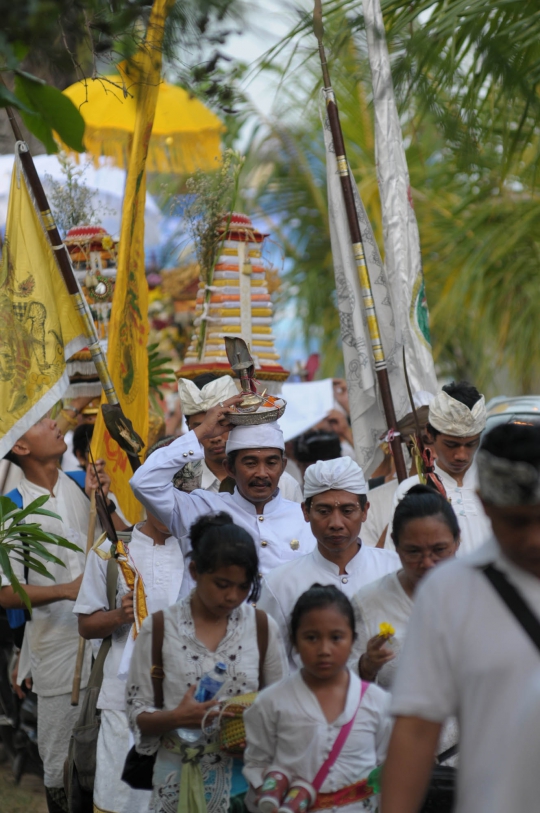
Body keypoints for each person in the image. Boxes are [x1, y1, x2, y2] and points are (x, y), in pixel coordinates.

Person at [380, 423, 540, 813]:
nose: (534, 538)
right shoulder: (449, 593)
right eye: (517, 522)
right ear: (485, 505)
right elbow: (416, 731)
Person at [126, 513, 287, 813]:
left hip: (244, 784)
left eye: (243, 587)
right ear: (195, 571)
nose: (232, 596)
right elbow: (138, 713)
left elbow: (282, 704)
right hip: (176, 778)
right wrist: (176, 718)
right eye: (222, 584)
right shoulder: (160, 628)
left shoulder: (263, 628)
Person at [0, 413, 116, 813]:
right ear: (21, 447)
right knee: (60, 764)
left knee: (103, 755)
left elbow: (113, 545)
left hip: (103, 642)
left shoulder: (77, 485)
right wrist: (66, 591)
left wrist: (103, 500)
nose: (54, 424)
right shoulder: (12, 507)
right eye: (41, 422)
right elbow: (4, 592)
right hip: (56, 653)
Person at [74, 440, 185, 813]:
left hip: (187, 703)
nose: (167, 506)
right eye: (160, 494)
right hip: (123, 703)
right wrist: (119, 616)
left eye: (178, 495)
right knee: (120, 802)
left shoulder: (202, 550)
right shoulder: (110, 550)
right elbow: (87, 626)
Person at [243, 585, 392, 813]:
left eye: (336, 638)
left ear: (353, 638)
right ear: (294, 640)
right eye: (311, 638)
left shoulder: (377, 702)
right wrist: (265, 791)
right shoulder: (270, 703)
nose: (324, 649)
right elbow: (256, 763)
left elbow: (389, 767)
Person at [130, 399, 316, 577]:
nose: (262, 473)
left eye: (271, 463)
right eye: (250, 463)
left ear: (283, 466)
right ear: (230, 468)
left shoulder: (306, 519)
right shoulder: (201, 509)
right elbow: (143, 483)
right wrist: (201, 431)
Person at [258, 457, 400, 668]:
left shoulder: (394, 570)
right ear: (306, 512)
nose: (336, 523)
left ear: (365, 511)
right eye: (324, 511)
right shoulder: (280, 584)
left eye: (347, 511)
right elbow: (271, 665)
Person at [387, 381, 492, 555]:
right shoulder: (412, 490)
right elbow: (395, 560)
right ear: (429, 434)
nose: (461, 455)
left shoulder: (494, 485)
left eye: (470, 444)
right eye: (451, 444)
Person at [178, 374, 303, 501]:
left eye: (221, 424)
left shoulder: (284, 485)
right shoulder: (181, 482)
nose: (215, 437)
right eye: (204, 428)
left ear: (237, 420)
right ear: (189, 428)